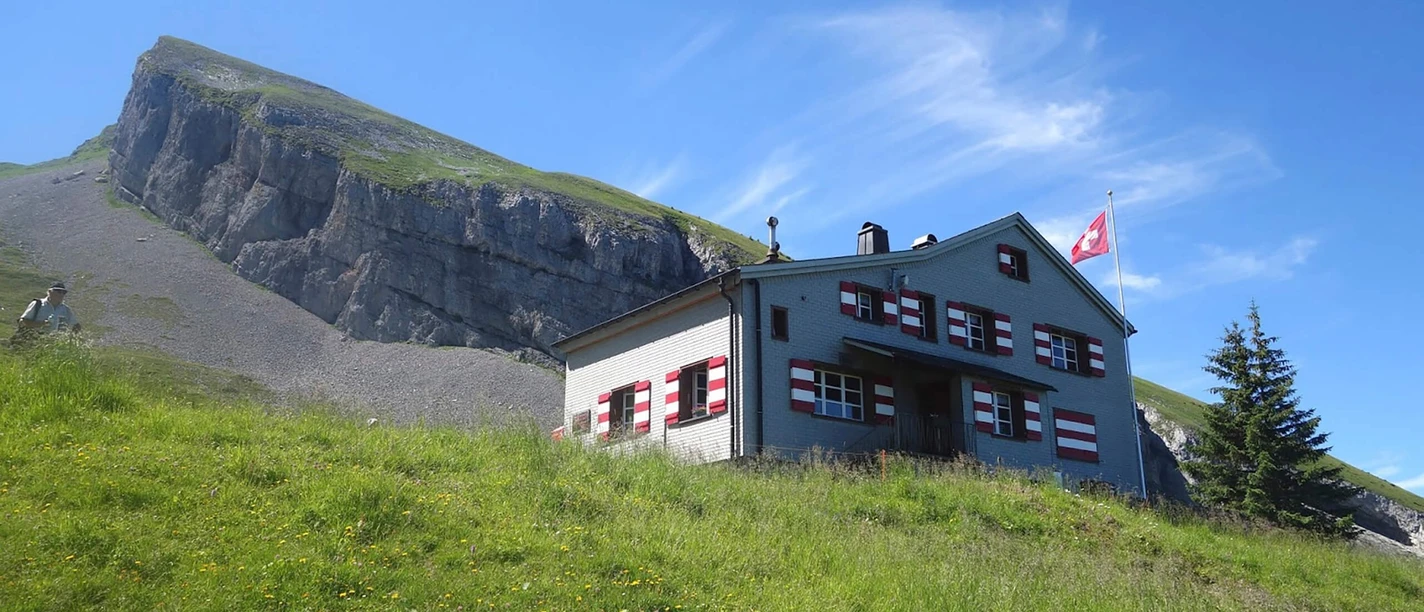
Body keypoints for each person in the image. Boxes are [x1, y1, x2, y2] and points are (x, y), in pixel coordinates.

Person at [17, 282, 82, 335]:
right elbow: (23, 321)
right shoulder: (38, 304)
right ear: (50, 292)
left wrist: (70, 338)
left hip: (55, 344)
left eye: (64, 292)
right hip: (35, 340)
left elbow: (77, 326)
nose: (61, 294)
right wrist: (42, 324)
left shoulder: (66, 309)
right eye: (58, 291)